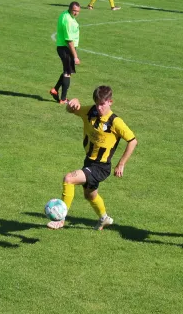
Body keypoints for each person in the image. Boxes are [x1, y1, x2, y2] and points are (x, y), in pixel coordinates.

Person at [47, 85, 138, 231]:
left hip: (101, 167)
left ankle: (60, 219)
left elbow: (133, 141)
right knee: (90, 195)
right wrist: (73, 103)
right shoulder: (90, 112)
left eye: (102, 104)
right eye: (97, 103)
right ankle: (104, 218)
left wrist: (121, 164)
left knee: (68, 179)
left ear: (110, 102)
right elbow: (71, 110)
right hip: (89, 161)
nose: (99, 107)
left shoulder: (115, 122)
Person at [50, 1, 80, 104]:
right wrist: (75, 56)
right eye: (74, 11)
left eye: (78, 11)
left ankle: (55, 89)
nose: (76, 13)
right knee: (68, 73)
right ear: (70, 9)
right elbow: (69, 41)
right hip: (66, 48)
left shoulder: (64, 14)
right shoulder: (68, 21)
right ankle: (63, 99)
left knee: (66, 70)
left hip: (62, 47)